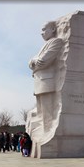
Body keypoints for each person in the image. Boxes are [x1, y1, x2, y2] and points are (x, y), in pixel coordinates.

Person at [26, 21, 64, 155]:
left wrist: (34, 61)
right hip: (40, 81)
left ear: (53, 29)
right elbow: (31, 62)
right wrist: (34, 61)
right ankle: (44, 134)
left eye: (44, 29)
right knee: (42, 112)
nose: (41, 33)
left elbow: (43, 61)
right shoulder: (44, 46)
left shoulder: (56, 42)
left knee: (48, 113)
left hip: (47, 81)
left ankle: (48, 134)